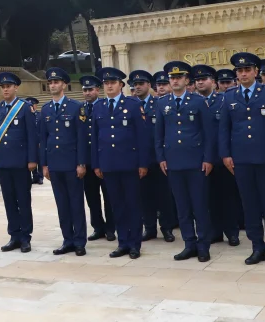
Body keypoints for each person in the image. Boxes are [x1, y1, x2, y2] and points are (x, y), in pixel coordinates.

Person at [219, 52, 265, 267]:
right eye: (239, 71)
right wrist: (226, 155)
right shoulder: (229, 96)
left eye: (247, 70)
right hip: (241, 160)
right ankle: (257, 246)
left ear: (255, 72)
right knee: (249, 205)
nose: (243, 74)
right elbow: (224, 129)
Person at [155, 61, 214, 262]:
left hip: (196, 162)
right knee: (182, 207)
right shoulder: (162, 103)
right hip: (173, 162)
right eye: (172, 78)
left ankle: (203, 245)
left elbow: (208, 133)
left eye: (179, 77)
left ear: (187, 80)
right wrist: (161, 158)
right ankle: (189, 244)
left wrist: (208, 159)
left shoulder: (198, 102)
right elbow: (159, 135)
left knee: (199, 205)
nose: (175, 80)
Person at [91, 66, 149, 259]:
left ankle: (135, 244)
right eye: (106, 83)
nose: (109, 86)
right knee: (117, 205)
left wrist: (143, 163)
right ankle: (122, 242)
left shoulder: (132, 104)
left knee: (133, 204)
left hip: (130, 164)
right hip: (108, 164)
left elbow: (142, 136)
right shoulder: (98, 107)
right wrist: (96, 164)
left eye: (112, 83)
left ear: (121, 85)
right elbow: (95, 137)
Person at [39, 67, 89, 256]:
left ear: (64, 85)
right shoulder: (45, 109)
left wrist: (81, 163)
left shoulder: (76, 107)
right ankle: (67, 239)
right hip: (54, 163)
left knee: (76, 203)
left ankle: (79, 241)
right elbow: (43, 139)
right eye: (50, 82)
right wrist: (44, 164)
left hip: (72, 163)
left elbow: (81, 138)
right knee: (62, 204)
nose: (53, 85)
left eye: (56, 82)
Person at [0, 71, 38, 253]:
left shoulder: (24, 107)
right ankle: (14, 235)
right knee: (9, 201)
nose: (5, 89)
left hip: (21, 162)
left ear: (16, 87)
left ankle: (26, 237)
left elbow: (32, 136)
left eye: (8, 86)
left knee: (23, 201)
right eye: (3, 87)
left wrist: (33, 160)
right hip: (4, 163)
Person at [194, 64, 240, 247]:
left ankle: (232, 232)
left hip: (222, 158)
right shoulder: (193, 102)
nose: (200, 82)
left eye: (203, 79)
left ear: (213, 82)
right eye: (197, 80)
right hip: (202, 159)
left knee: (228, 197)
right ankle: (215, 232)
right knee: (207, 198)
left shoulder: (223, 100)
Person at [135, 71, 176, 243]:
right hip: (139, 160)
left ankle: (166, 228)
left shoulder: (159, 104)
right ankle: (149, 228)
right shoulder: (130, 105)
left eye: (141, 83)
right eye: (135, 84)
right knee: (144, 196)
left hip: (158, 158)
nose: (137, 86)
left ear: (149, 86)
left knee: (163, 196)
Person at [79, 75, 115, 242]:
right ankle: (97, 227)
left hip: (104, 160)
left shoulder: (103, 106)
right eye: (85, 90)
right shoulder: (80, 109)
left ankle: (110, 227)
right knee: (92, 197)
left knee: (109, 196)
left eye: (90, 89)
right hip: (87, 161)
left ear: (97, 90)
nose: (87, 93)